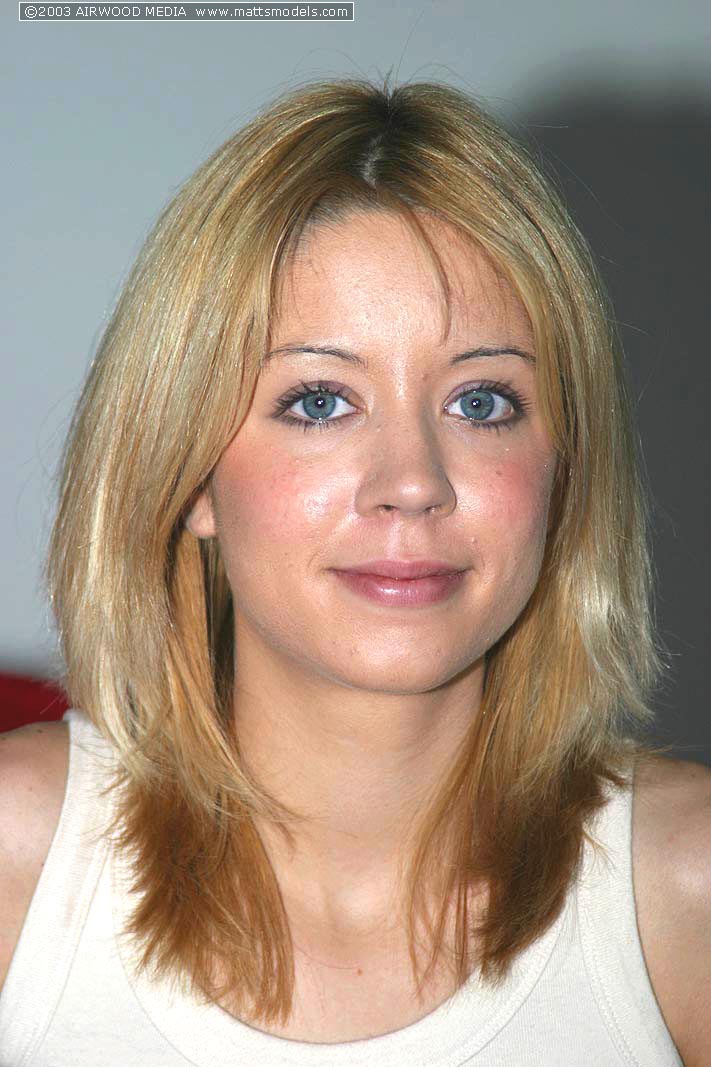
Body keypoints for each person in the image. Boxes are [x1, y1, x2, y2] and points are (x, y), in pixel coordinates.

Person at [0, 75, 709, 1065]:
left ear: (563, 469)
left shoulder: (684, 889)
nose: (412, 483)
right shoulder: (20, 862)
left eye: (481, 402)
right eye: (321, 401)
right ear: (190, 474)